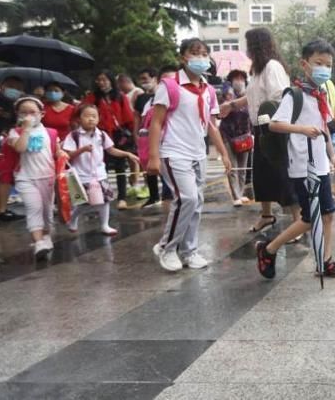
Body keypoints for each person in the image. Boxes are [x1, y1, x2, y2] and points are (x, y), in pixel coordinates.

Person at [255, 39, 335, 280]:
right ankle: (268, 249)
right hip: (301, 166)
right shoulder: (294, 95)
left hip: (319, 165)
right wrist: (302, 130)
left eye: (328, 65)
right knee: (310, 218)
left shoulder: (321, 95)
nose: (324, 69)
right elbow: (275, 124)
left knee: (327, 214)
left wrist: (332, 155)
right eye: (319, 63)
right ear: (304, 64)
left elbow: (325, 128)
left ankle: (325, 261)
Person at [148, 38, 231, 272]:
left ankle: (189, 251)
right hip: (174, 151)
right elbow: (156, 123)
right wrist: (153, 157)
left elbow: (212, 126)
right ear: (183, 57)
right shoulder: (169, 85)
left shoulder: (207, 89)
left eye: (205, 53)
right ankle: (167, 247)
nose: (201, 58)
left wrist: (223, 154)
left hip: (198, 153)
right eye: (195, 53)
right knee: (187, 198)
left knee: (196, 203)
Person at [219, 27, 299, 232]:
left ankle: (297, 220)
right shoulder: (257, 70)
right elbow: (254, 96)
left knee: (282, 175)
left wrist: (274, 124)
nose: (247, 50)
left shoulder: (273, 67)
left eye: (249, 44)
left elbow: (281, 96)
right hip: (259, 129)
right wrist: (233, 105)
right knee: (261, 175)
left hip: (275, 129)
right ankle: (266, 215)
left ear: (256, 45)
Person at [5, 96, 66, 259]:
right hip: (26, 177)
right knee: (34, 208)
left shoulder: (51, 132)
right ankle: (38, 242)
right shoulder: (14, 132)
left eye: (32, 112)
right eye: (23, 112)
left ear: (42, 113)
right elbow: (20, 148)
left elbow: (57, 151)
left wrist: (62, 153)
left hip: (48, 177)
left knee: (47, 211)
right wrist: (25, 129)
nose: (28, 115)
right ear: (17, 114)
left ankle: (46, 236)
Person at [64, 104, 139, 235]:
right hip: (82, 175)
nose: (91, 119)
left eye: (94, 116)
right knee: (84, 203)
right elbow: (67, 155)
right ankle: (73, 219)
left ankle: (105, 225)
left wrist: (128, 154)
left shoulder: (101, 135)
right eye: (87, 116)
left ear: (98, 118)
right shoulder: (74, 136)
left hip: (100, 174)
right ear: (79, 119)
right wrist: (82, 150)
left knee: (105, 200)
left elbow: (111, 150)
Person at [83, 70, 136, 210]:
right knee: (101, 166)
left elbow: (128, 117)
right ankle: (100, 196)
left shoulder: (120, 97)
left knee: (120, 166)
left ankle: (122, 198)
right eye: (99, 80)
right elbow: (84, 113)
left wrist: (132, 135)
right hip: (98, 134)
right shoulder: (92, 97)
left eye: (105, 79)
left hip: (118, 135)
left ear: (111, 81)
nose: (102, 82)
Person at [133, 67, 173, 208]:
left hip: (170, 141)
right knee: (152, 167)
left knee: (168, 170)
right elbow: (145, 120)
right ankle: (154, 196)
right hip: (153, 140)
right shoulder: (148, 101)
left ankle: (168, 196)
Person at [219, 69, 252, 206]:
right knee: (232, 167)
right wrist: (229, 98)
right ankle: (236, 195)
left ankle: (241, 191)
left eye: (241, 78)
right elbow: (221, 113)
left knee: (243, 167)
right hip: (228, 135)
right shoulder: (225, 96)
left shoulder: (248, 96)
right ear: (230, 81)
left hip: (244, 135)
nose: (239, 81)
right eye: (236, 78)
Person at [0, 76, 25, 221]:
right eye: (10, 86)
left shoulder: (18, 105)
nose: (13, 90)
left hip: (9, 143)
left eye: (17, 88)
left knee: (5, 176)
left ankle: (2, 209)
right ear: (2, 86)